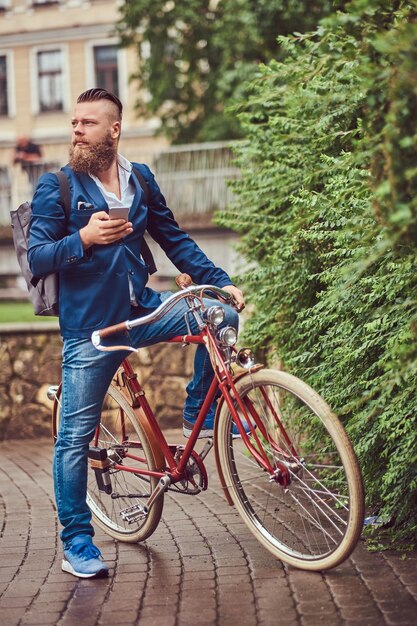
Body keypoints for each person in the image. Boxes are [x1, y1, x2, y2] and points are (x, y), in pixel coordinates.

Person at [28, 88, 244, 579]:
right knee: (74, 438)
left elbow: (174, 239)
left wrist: (221, 281)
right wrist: (81, 239)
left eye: (87, 123)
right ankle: (77, 541)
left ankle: (199, 416)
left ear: (114, 130)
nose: (76, 131)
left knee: (219, 317)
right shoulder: (56, 186)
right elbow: (37, 258)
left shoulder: (139, 179)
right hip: (92, 330)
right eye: (74, 123)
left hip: (143, 309)